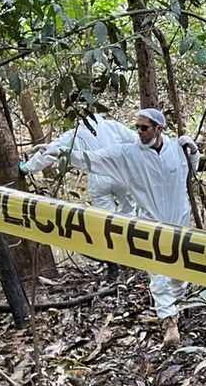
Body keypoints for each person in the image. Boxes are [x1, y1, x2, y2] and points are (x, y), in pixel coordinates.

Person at [25, 108, 199, 347]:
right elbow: (92, 158)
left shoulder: (174, 149)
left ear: (159, 128)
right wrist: (59, 152)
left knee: (179, 271)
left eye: (144, 128)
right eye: (137, 127)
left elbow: (190, 170)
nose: (139, 132)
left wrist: (193, 151)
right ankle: (168, 321)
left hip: (180, 220)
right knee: (158, 272)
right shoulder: (129, 154)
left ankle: (176, 308)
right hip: (150, 223)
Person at [21, 115, 138, 280]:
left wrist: (27, 168)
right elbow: (136, 142)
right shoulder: (113, 126)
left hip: (98, 180)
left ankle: (114, 268)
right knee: (129, 214)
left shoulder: (73, 134)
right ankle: (134, 257)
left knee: (106, 224)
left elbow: (52, 150)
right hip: (121, 176)